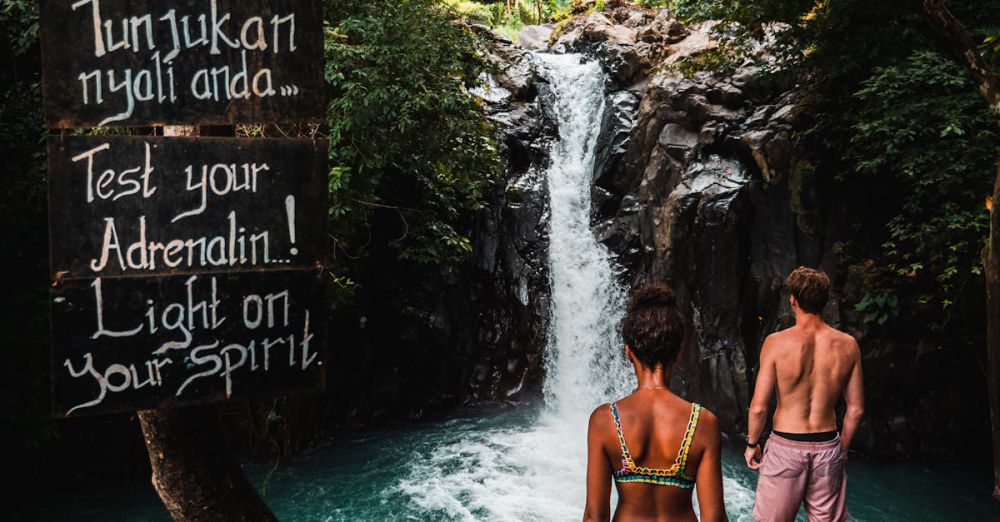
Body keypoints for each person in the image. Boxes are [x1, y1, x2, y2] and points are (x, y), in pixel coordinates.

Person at [585, 284, 727, 522]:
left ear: (628, 352)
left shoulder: (604, 420)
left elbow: (594, 516)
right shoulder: (704, 422)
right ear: (678, 352)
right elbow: (715, 519)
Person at [745, 267, 864, 522]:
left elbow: (758, 407)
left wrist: (752, 443)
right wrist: (841, 449)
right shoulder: (848, 345)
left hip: (786, 446)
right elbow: (855, 409)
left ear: (792, 300)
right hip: (827, 445)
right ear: (825, 301)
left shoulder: (776, 343)